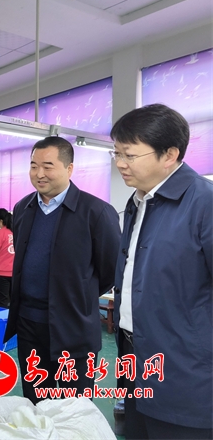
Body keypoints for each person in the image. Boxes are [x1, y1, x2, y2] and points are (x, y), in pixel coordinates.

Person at [110, 104, 212, 438]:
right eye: (116, 153)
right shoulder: (138, 201)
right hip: (134, 360)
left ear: (169, 154)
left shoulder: (204, 203)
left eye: (129, 155)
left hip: (186, 372)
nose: (120, 163)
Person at [3, 136, 120, 404]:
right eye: (33, 166)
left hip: (73, 327)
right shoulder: (22, 208)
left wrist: (77, 294)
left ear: (69, 169)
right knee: (36, 403)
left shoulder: (96, 212)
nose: (39, 174)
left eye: (48, 166)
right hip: (29, 327)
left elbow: (110, 270)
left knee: (73, 408)